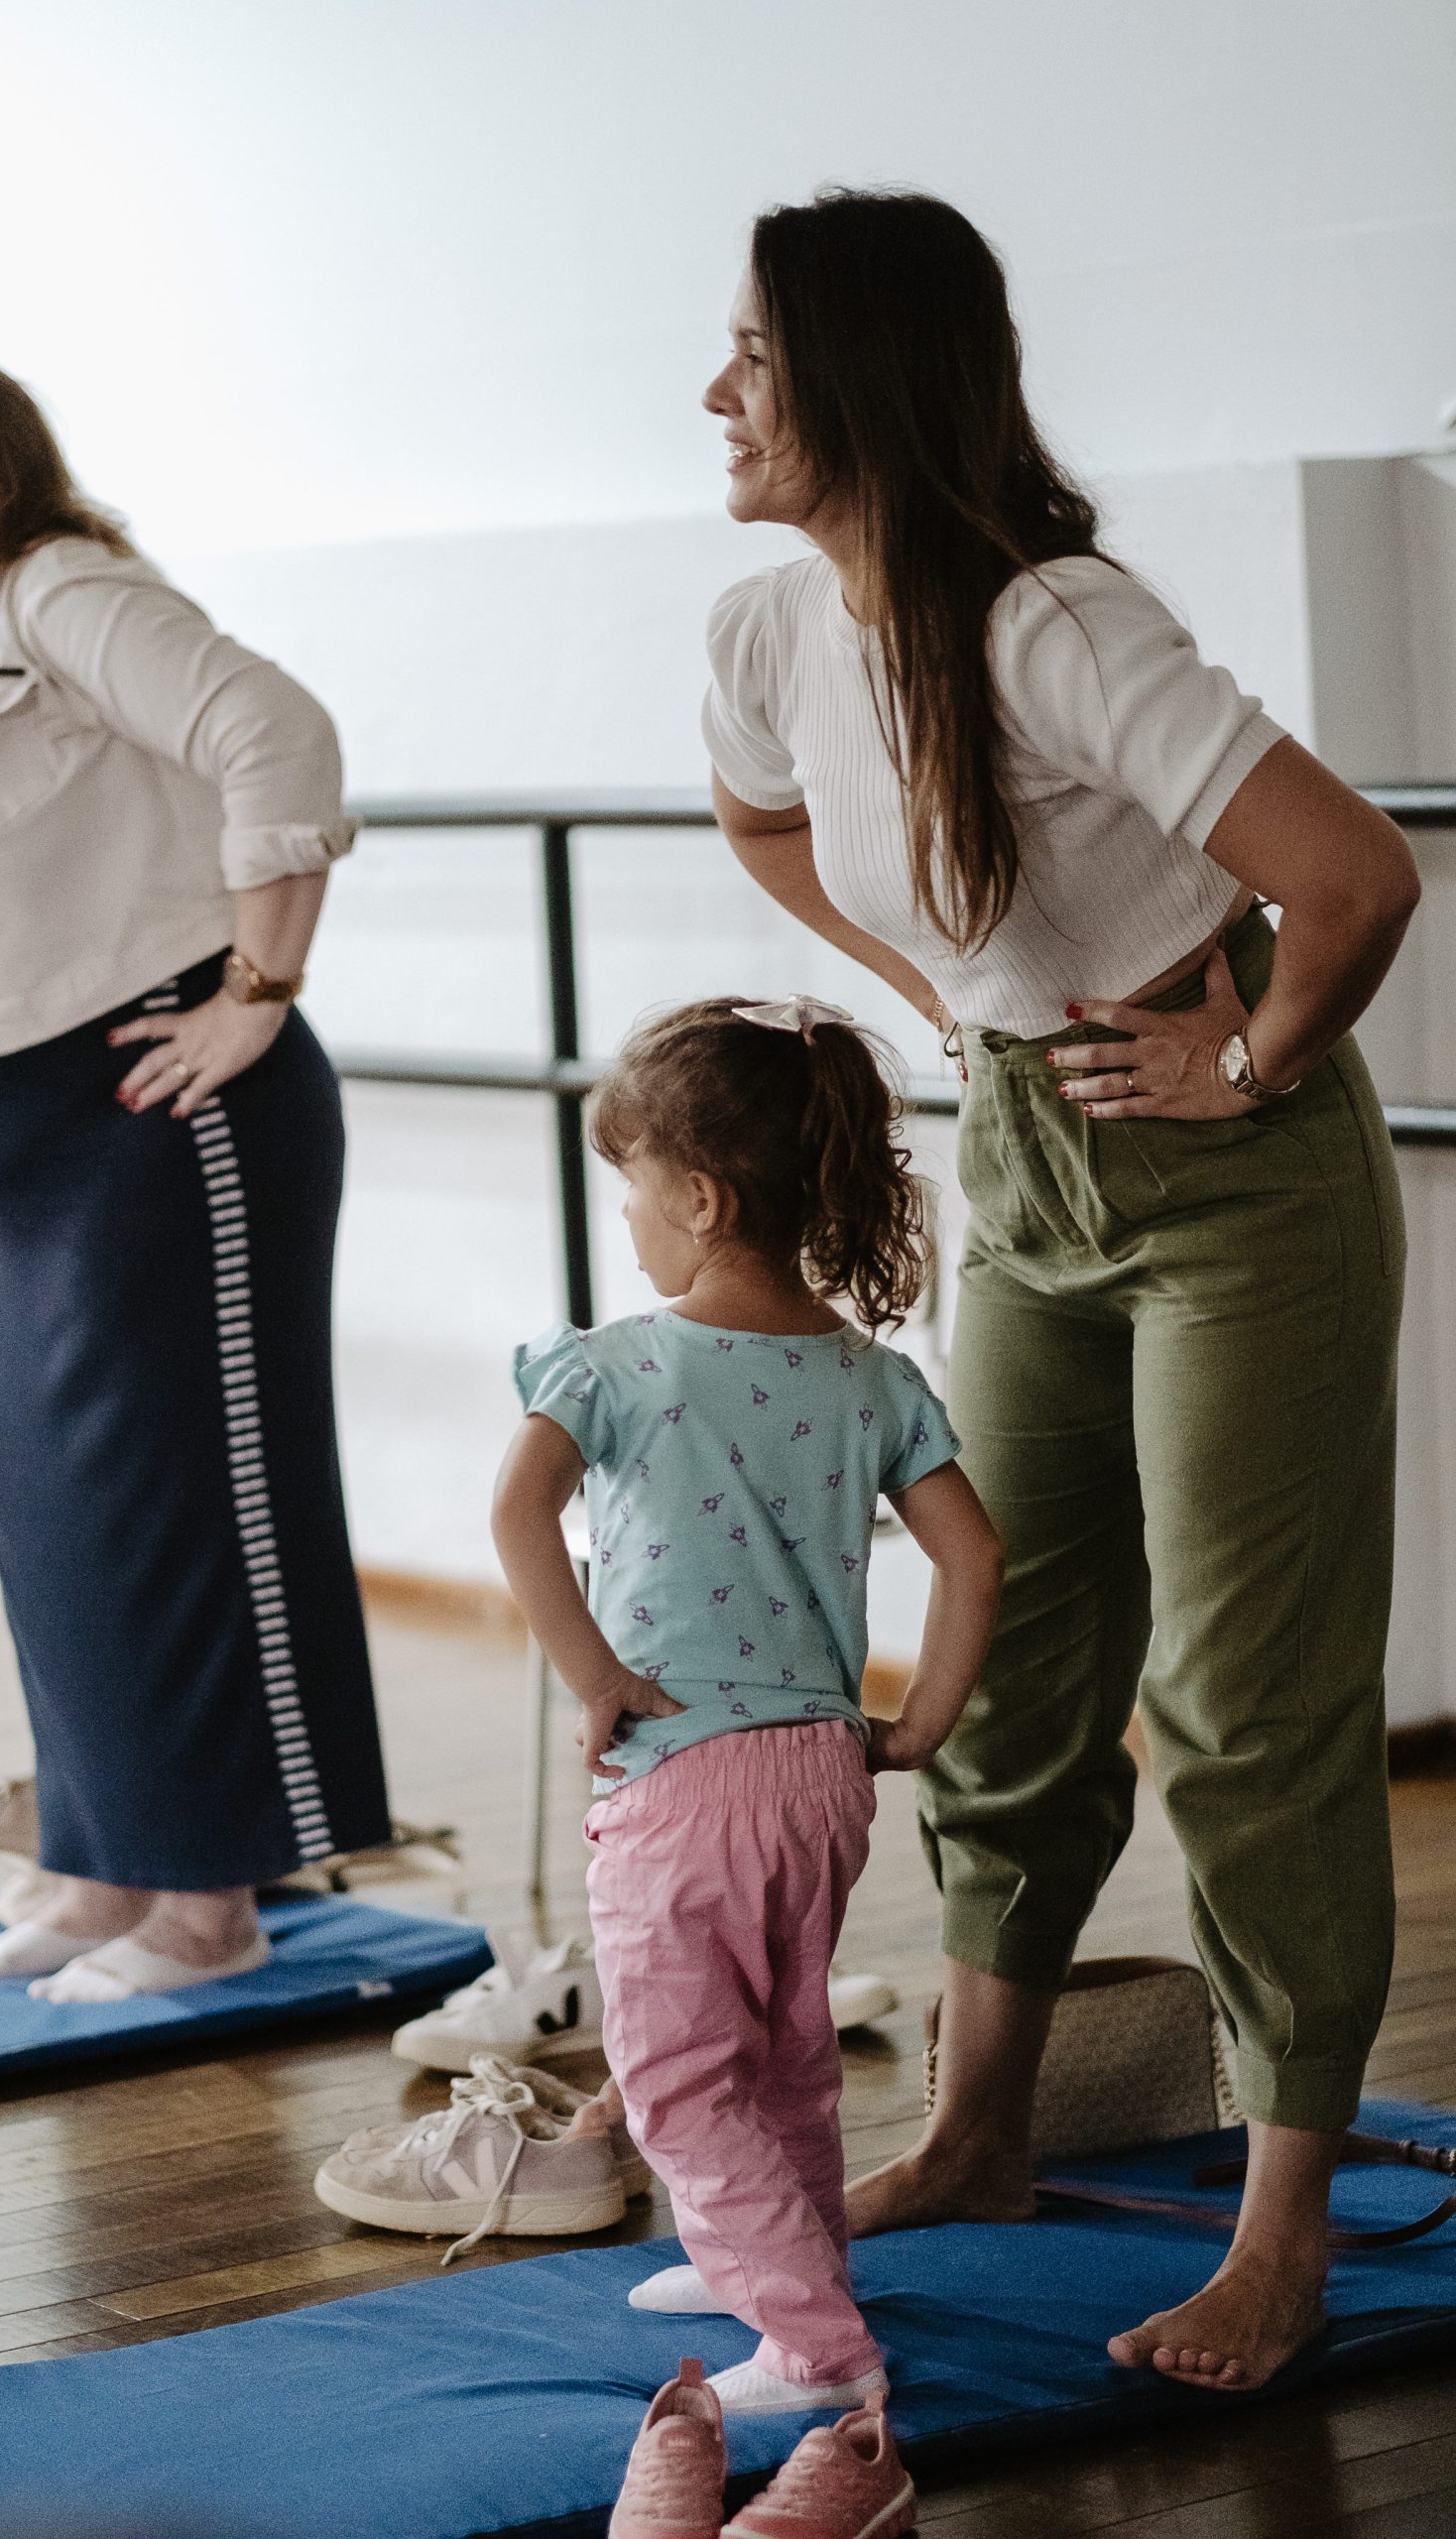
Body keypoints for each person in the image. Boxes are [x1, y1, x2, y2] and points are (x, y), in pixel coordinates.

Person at [696, 187, 1420, 2393]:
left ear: (860, 372)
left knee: (1243, 1708)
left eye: (749, 351)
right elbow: (759, 824)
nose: (715, 391)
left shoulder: (1048, 623)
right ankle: (980, 2127)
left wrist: (1252, 1045)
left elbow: (1351, 872)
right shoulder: (766, 627)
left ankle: (1279, 2227)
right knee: (1003, 1665)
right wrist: (950, 989)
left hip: (1234, 1184)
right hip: (1022, 1156)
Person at [0, 355, 391, 2000]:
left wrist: (259, 991)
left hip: (171, 1144)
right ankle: (102, 1862)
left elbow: (274, 729)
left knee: (179, 1511)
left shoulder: (69, 593)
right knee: (58, 1510)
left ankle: (210, 1902)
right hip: (40, 1180)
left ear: (6, 481)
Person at [492, 997, 1001, 2469]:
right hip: (822, 1777)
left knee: (674, 2074)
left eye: (636, 1189)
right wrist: (918, 1728)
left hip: (687, 1785)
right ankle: (766, 2262)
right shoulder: (873, 1380)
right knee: (779, 2051)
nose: (633, 1223)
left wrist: (591, 1671)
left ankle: (820, 2353)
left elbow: (519, 1511)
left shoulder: (615, 1365)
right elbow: (979, 1559)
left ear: (701, 1198)